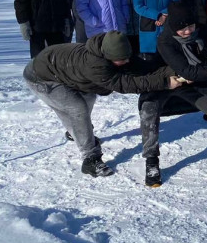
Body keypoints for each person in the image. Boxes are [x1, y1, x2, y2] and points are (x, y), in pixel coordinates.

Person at [23, 31, 181, 177]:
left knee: (88, 98)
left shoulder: (117, 43)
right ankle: (90, 158)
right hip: (40, 78)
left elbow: (137, 67)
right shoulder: (95, 67)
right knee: (77, 108)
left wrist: (171, 70)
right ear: (108, 57)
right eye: (121, 60)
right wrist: (165, 82)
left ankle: (77, 132)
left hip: (64, 72)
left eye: (127, 56)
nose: (126, 61)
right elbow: (126, 84)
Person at [137, 2, 207, 187]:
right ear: (173, 27)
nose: (188, 31)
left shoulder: (202, 31)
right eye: (182, 29)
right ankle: (151, 160)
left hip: (191, 84)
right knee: (149, 111)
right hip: (162, 83)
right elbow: (188, 72)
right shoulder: (165, 41)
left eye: (190, 26)